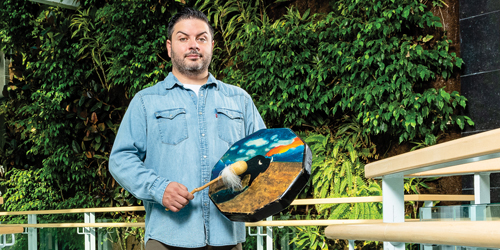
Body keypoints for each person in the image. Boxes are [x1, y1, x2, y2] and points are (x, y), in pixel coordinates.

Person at [108, 7, 266, 250]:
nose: (194, 45)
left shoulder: (240, 100)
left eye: (201, 38)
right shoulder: (146, 101)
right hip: (166, 239)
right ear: (170, 47)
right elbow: (120, 159)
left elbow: (263, 156)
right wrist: (159, 189)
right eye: (184, 38)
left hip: (228, 237)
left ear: (212, 45)